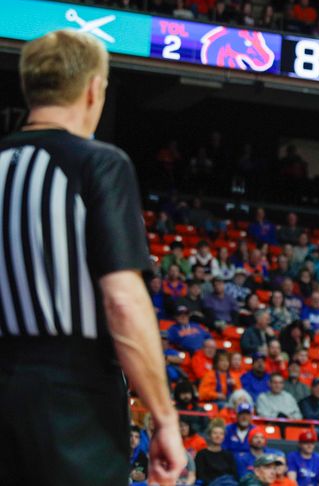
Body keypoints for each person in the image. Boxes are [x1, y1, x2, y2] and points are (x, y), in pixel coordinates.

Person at [0, 29, 184, 484]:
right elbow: (123, 301)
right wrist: (163, 416)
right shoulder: (99, 163)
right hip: (69, 398)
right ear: (93, 89)